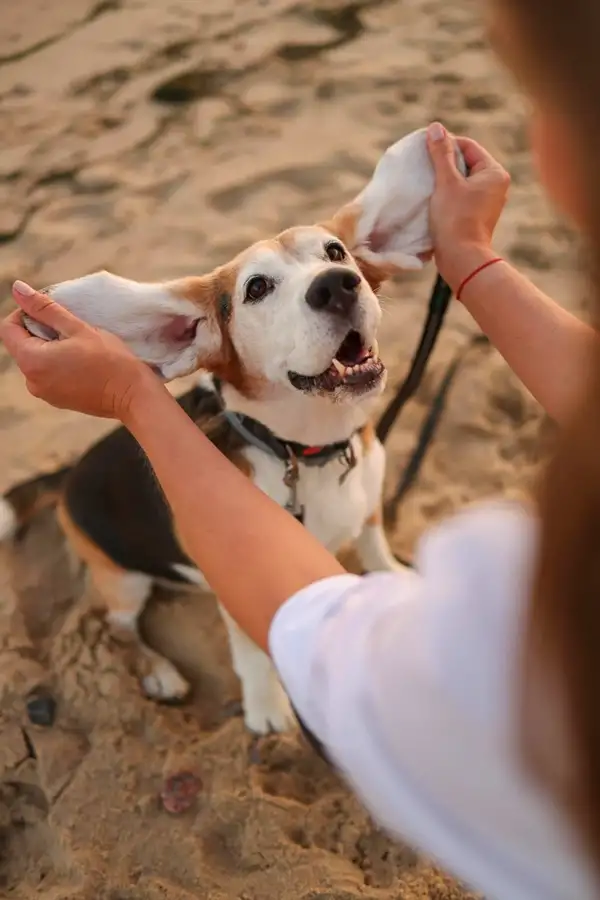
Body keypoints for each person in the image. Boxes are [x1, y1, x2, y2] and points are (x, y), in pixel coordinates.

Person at [2, 0, 600, 895]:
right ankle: (130, 629)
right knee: (135, 595)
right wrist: (467, 253)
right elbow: (263, 612)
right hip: (147, 540)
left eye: (334, 259)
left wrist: (134, 400)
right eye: (263, 291)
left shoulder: (387, 464)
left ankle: (370, 547)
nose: (333, 280)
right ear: (204, 339)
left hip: (318, 474)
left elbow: (318, 622)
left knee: (361, 512)